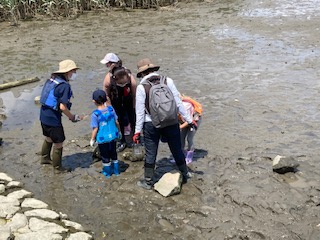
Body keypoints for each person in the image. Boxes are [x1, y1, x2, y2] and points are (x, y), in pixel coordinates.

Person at [132, 58, 196, 190]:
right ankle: (185, 174)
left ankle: (148, 182)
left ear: (142, 73)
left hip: (151, 124)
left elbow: (139, 113)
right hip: (171, 120)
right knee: (176, 149)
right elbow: (178, 103)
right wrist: (189, 120)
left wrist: (137, 132)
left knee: (151, 153)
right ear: (153, 69)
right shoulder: (168, 81)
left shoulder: (141, 87)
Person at [39, 59, 83, 171]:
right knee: (59, 142)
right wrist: (72, 117)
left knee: (48, 137)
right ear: (66, 72)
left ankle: (45, 158)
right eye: (73, 71)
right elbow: (62, 107)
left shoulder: (51, 80)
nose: (74, 74)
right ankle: (58, 168)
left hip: (43, 115)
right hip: (53, 119)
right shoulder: (64, 86)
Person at [101, 53, 137, 152]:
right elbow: (106, 94)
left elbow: (134, 91)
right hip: (116, 103)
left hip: (128, 101)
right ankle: (123, 140)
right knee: (119, 121)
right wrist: (109, 107)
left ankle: (133, 139)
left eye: (108, 63)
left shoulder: (128, 74)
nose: (107, 65)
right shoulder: (109, 77)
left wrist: (135, 105)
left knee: (132, 119)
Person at [90, 89, 122, 178]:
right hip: (113, 135)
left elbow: (95, 128)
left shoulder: (95, 114)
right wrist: (119, 132)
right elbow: (117, 122)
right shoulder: (111, 110)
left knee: (105, 156)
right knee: (114, 153)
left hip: (102, 138)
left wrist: (92, 139)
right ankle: (116, 171)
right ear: (106, 99)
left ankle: (107, 173)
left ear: (94, 101)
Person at [179, 95, 202, 164]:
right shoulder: (171, 108)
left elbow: (189, 121)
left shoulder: (185, 107)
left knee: (189, 138)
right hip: (184, 120)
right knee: (181, 137)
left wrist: (179, 127)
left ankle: (189, 158)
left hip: (194, 120)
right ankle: (181, 156)